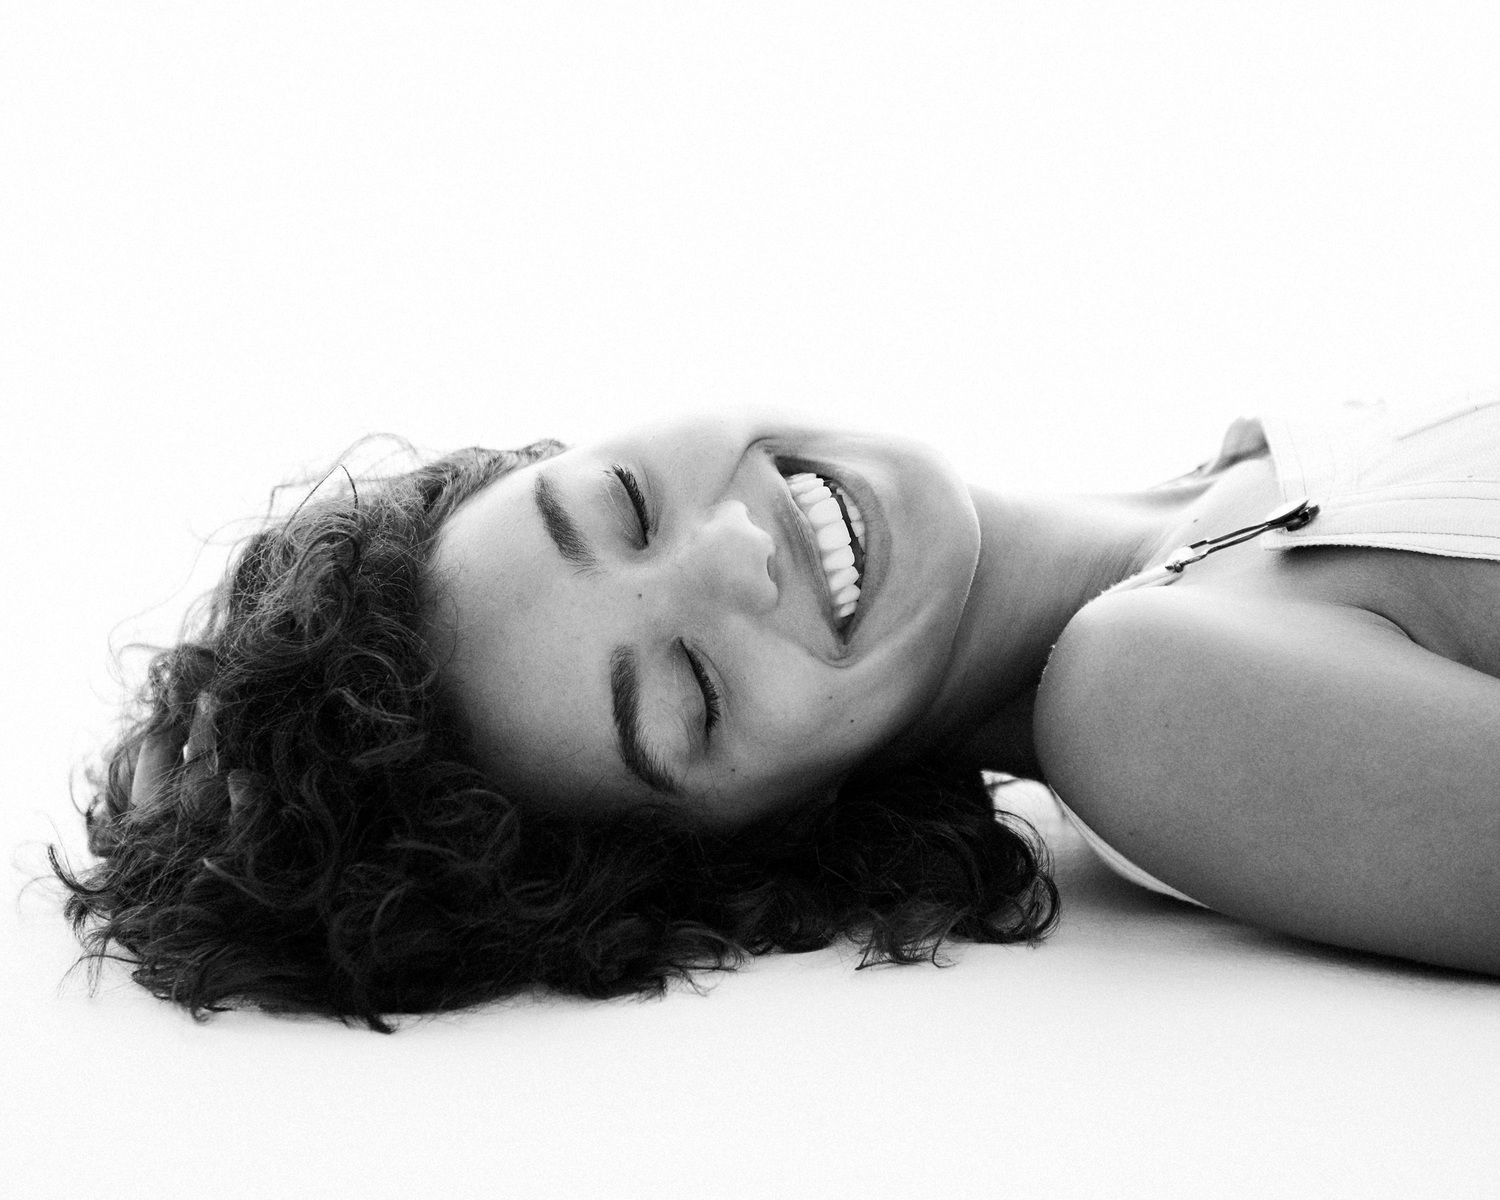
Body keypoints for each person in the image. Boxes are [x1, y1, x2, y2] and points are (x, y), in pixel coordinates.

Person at [53, 397, 1500, 1031]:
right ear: (769, 832)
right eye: (690, 693)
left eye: (622, 503)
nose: (735, 553)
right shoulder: (1154, 698)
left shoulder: (1255, 461)